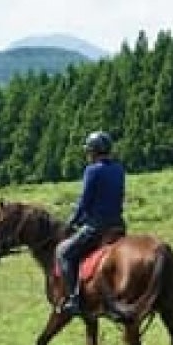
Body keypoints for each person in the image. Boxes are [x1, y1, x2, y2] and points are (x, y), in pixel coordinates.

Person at [56, 131, 125, 316]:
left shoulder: (92, 170)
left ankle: (73, 300)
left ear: (94, 151)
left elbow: (85, 202)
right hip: (118, 225)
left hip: (97, 227)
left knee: (63, 252)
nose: (88, 155)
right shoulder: (119, 168)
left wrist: (72, 221)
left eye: (89, 151)